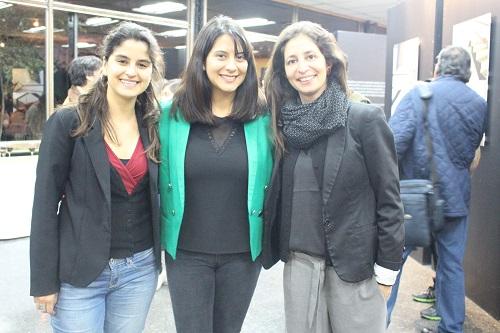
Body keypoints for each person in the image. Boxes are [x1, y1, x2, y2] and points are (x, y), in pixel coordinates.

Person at [262, 21, 404, 333]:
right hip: (300, 268)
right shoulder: (281, 126)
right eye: (292, 60)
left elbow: (390, 201)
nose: (302, 68)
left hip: (355, 269)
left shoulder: (364, 119)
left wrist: (387, 274)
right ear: (283, 70)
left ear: (328, 63)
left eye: (310, 57)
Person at [30, 22, 165, 332]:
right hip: (80, 273)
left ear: (151, 71)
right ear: (105, 64)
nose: (131, 71)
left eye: (142, 64)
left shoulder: (154, 125)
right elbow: (44, 206)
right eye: (122, 60)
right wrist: (43, 281)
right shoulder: (67, 123)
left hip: (139, 270)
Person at [158, 16, 273, 333]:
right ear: (202, 61)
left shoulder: (264, 119)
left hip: (243, 256)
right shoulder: (170, 115)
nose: (232, 66)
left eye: (240, 57)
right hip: (186, 254)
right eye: (221, 55)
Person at [387, 45, 487, 333]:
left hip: (414, 198)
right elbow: (468, 154)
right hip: (455, 200)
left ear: (437, 67)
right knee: (451, 266)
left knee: (391, 263)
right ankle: (451, 328)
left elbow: (392, 144)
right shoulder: (479, 104)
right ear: (467, 70)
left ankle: (377, 322)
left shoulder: (418, 94)